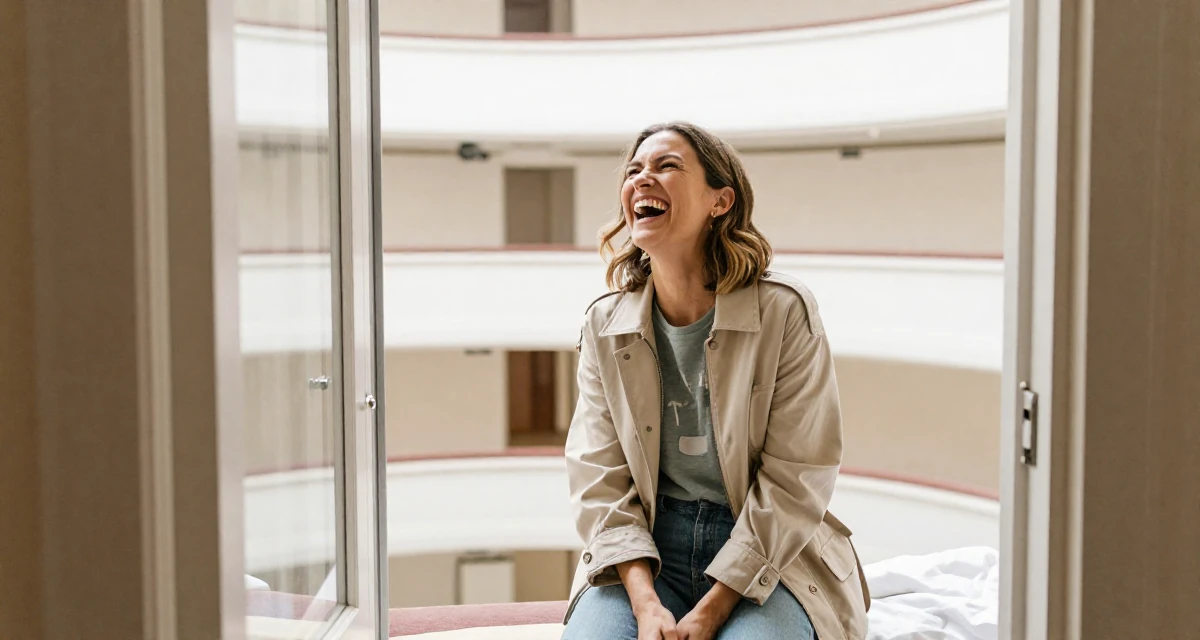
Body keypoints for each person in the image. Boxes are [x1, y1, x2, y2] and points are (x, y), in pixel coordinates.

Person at [560, 122, 870, 640]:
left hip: (769, 549)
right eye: (634, 171)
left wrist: (712, 610)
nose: (641, 179)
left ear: (720, 201)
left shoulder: (784, 311)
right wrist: (645, 604)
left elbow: (798, 476)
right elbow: (599, 474)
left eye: (666, 166)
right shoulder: (603, 323)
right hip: (646, 550)